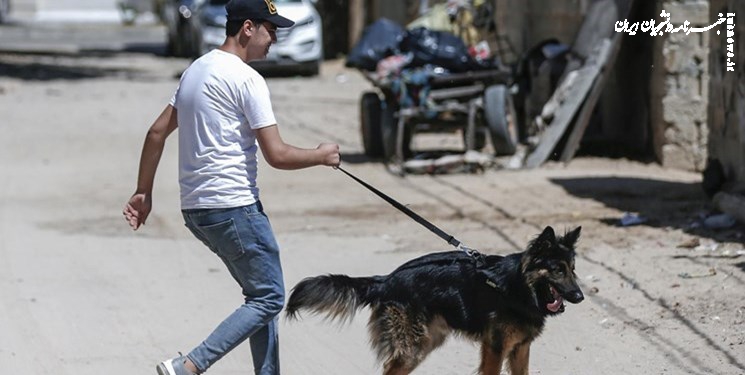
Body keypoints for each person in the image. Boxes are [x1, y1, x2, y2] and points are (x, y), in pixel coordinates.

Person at [122, 0, 340, 374]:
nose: (275, 38)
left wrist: (144, 191)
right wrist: (321, 155)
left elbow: (156, 131)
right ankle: (188, 365)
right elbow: (277, 154)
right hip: (234, 207)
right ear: (248, 29)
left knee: (260, 296)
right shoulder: (246, 79)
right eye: (272, 30)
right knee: (269, 297)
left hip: (197, 210)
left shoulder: (196, 70)